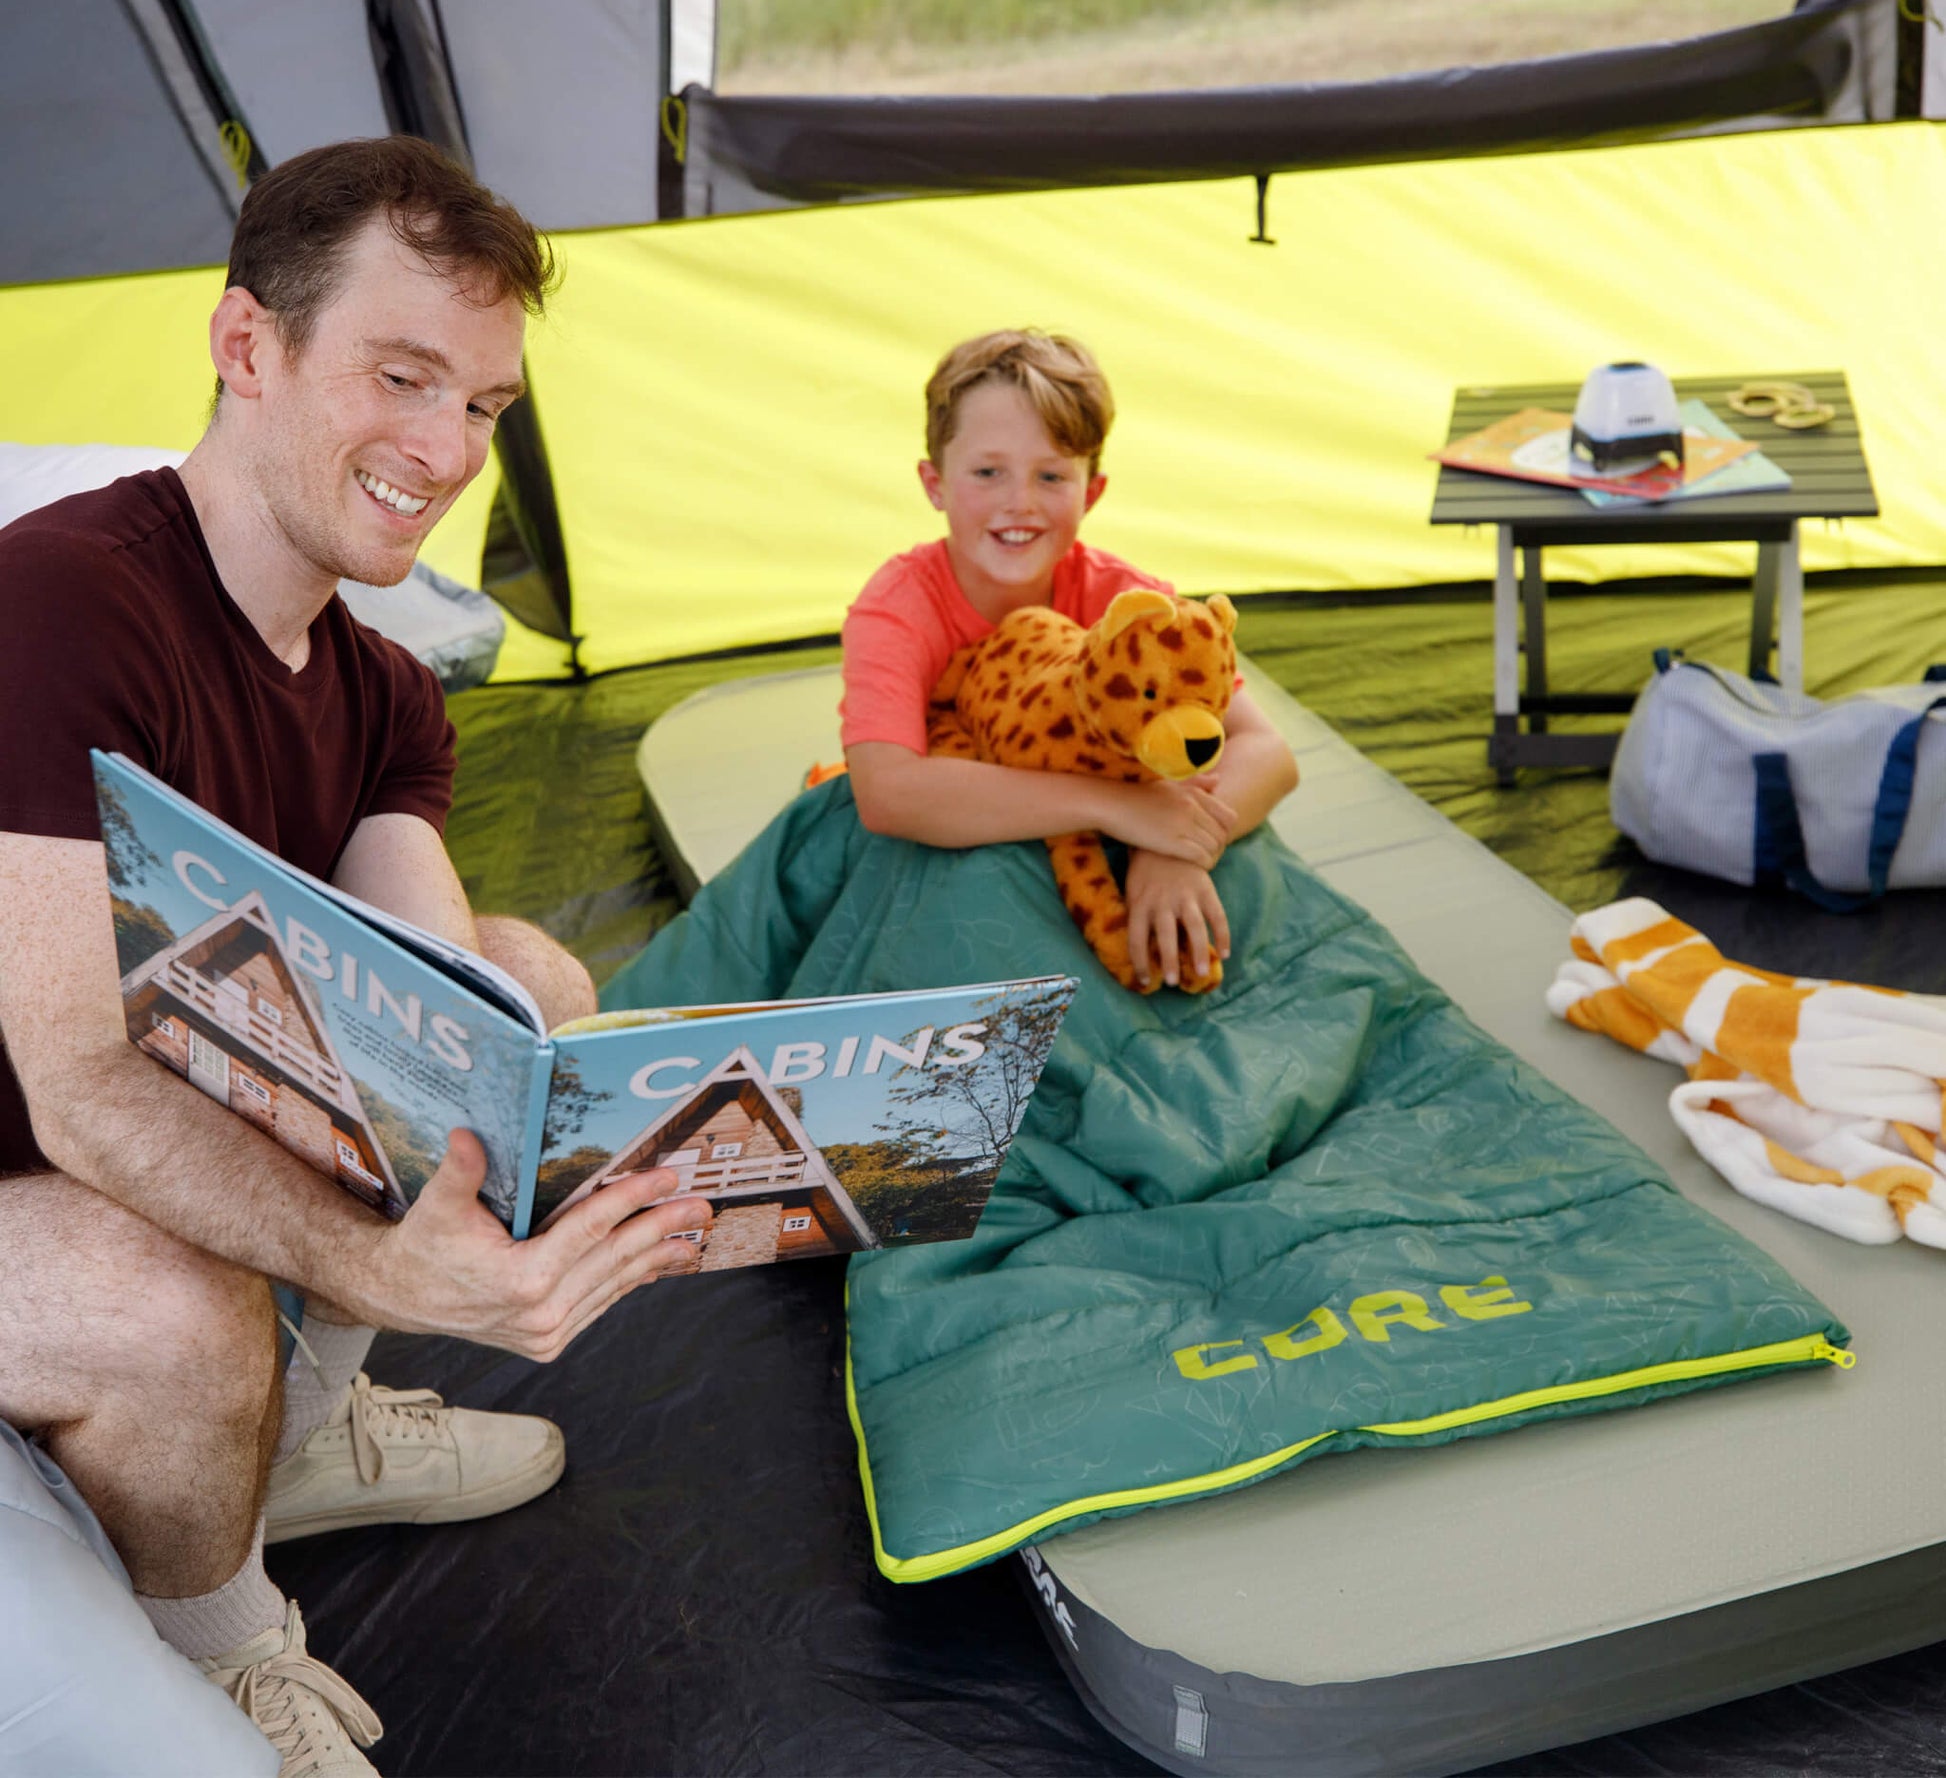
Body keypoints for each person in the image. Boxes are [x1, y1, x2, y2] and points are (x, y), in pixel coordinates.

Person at [0, 137, 711, 1777]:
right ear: (249, 347)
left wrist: (572, 1162)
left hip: (130, 1148)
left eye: (482, 406)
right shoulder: (56, 608)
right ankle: (231, 1638)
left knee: (534, 978)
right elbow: (73, 1090)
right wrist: (385, 1267)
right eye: (403, 376)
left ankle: (293, 1442)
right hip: (31, 1176)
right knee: (170, 1303)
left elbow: (451, 1010)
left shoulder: (384, 690)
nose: (446, 448)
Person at [842, 329, 1298, 991]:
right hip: (983, 830)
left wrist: (1173, 848)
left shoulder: (1130, 605)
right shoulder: (895, 607)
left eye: (1051, 475)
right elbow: (887, 793)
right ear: (935, 483)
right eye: (987, 472)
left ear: (1092, 491)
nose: (1019, 502)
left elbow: (1267, 751)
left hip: (1108, 844)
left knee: (1255, 890)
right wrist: (1118, 807)